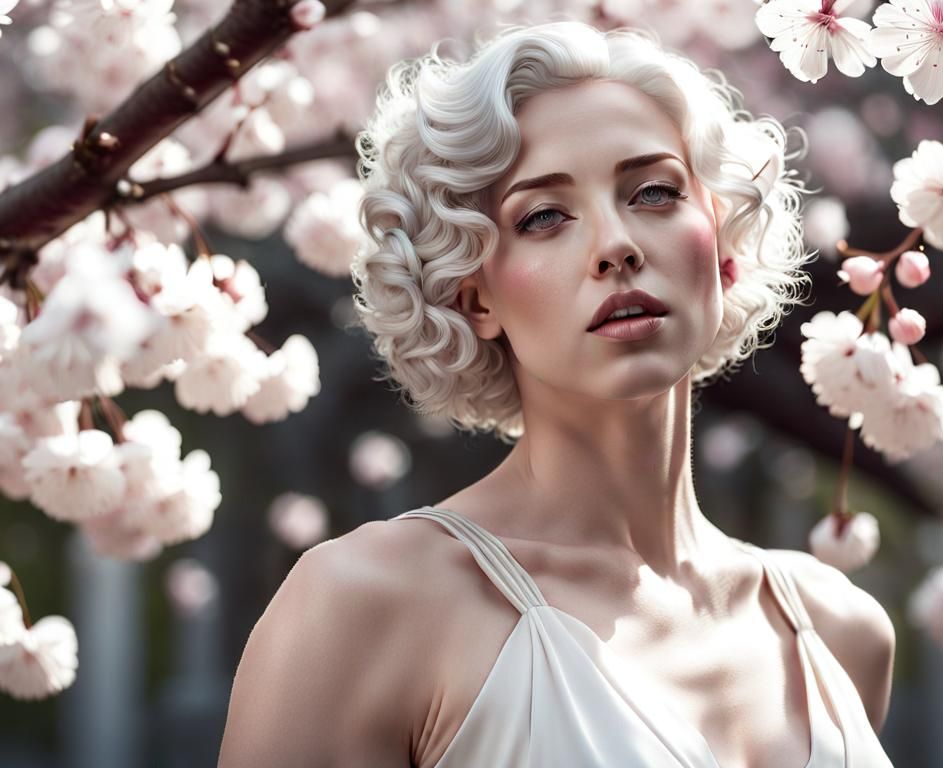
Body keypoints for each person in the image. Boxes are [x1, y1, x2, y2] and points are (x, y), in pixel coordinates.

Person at [217, 21, 895, 768]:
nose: (616, 244)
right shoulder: (368, 602)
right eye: (544, 216)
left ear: (723, 244)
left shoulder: (840, 630)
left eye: (655, 192)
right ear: (472, 296)